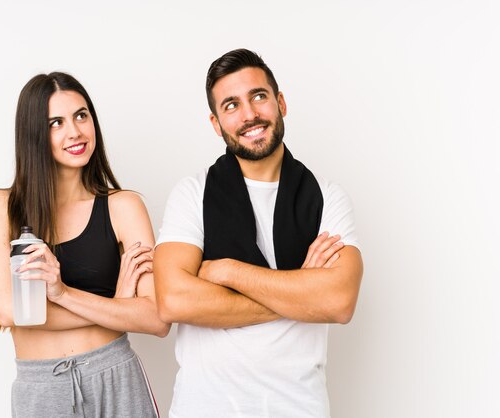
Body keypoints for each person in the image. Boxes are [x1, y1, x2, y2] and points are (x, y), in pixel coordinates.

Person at [154, 48, 363, 418]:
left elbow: (338, 302)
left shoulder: (326, 196)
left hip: (299, 408)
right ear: (216, 123)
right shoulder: (192, 194)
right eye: (231, 105)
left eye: (259, 97)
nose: (249, 114)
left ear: (280, 103)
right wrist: (300, 290)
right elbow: (174, 301)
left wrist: (229, 272)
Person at [0, 72, 170, 418]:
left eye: (82, 115)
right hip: (41, 389)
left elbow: (156, 318)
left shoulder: (123, 207)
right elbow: (10, 312)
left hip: (116, 376)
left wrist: (63, 293)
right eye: (56, 122)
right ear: (33, 134)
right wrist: (115, 308)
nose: (75, 132)